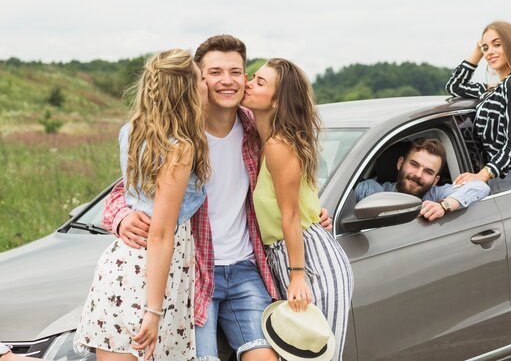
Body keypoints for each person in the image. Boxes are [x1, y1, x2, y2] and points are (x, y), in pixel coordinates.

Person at [102, 35, 331, 361]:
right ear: (199, 79)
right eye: (215, 72)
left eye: (236, 71)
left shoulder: (255, 129)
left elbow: (288, 182)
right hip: (194, 274)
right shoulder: (179, 136)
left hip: (245, 269)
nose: (227, 81)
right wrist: (120, 216)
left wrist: (313, 213)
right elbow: (129, 190)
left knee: (268, 356)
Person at [74, 49, 210, 360]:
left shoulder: (132, 132)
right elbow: (160, 233)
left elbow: (134, 196)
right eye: (201, 79)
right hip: (149, 277)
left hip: (121, 266)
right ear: (187, 90)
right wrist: (153, 309)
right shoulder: (180, 149)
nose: (207, 85)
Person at [243, 58, 353, 361]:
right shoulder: (259, 142)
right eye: (253, 77)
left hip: (310, 262)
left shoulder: (280, 146)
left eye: (260, 82)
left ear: (277, 101)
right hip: (287, 258)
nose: (249, 83)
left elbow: (290, 215)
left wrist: (297, 275)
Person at [445, 21, 511, 185]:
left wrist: (482, 175)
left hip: (502, 180)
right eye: (486, 48)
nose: (490, 52)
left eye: (497, 44)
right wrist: (477, 51)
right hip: (488, 178)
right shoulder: (492, 90)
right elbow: (454, 86)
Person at [355, 138, 489, 222]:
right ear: (400, 163)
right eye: (414, 164)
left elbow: (480, 187)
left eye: (428, 172)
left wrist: (443, 206)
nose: (418, 175)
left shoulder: (436, 195)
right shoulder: (370, 190)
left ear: (435, 180)